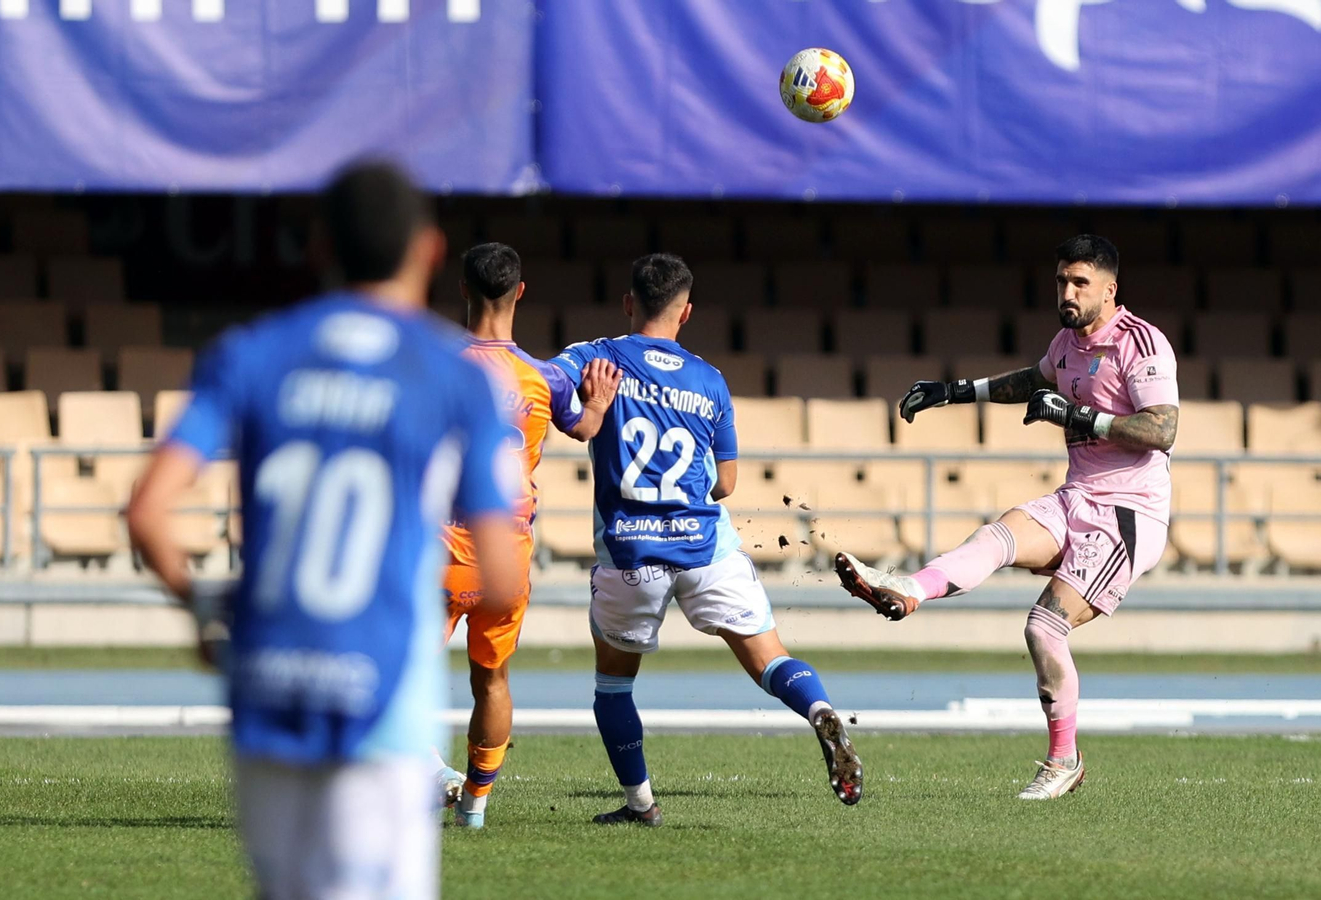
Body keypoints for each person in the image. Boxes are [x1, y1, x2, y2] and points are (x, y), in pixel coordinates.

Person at [127, 161, 518, 900]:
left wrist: (205, 607)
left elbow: (147, 511)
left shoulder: (249, 353)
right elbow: (501, 575)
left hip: (267, 690)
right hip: (378, 702)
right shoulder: (457, 377)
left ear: (317, 248)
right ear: (430, 252)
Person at [834, 234, 1179, 801]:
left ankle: (1064, 761)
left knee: (1044, 628)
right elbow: (1034, 378)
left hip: (1126, 514)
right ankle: (906, 589)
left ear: (1110, 289)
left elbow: (1162, 430)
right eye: (1062, 281)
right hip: (1076, 497)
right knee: (998, 535)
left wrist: (1080, 417)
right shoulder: (1067, 341)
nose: (1067, 292)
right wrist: (953, 391)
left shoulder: (1140, 344)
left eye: (1080, 283)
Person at [550, 253, 864, 826]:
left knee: (612, 687)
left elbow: (546, 383)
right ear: (686, 312)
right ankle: (819, 708)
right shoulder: (709, 379)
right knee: (771, 660)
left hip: (630, 553)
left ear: (627, 303)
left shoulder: (596, 357)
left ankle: (641, 804)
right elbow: (726, 482)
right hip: (706, 548)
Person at [434, 242, 620, 828]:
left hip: (440, 547)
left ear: (463, 290)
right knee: (491, 679)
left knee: (392, 672)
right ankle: (474, 807)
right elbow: (584, 426)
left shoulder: (436, 368)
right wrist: (598, 403)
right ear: (519, 292)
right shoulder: (543, 378)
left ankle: (424, 775)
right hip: (506, 556)